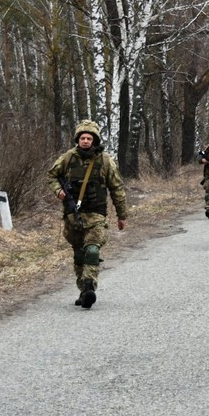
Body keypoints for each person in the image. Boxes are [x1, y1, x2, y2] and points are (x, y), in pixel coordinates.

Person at [47, 120, 129, 310]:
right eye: (82, 138)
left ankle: (89, 284)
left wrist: (121, 215)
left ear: (94, 140)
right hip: (73, 217)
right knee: (78, 254)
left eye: (88, 138)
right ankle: (83, 291)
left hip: (96, 215)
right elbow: (51, 176)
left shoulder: (105, 161)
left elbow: (117, 188)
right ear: (78, 139)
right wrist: (58, 190)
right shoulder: (67, 158)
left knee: (92, 250)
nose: (85, 141)